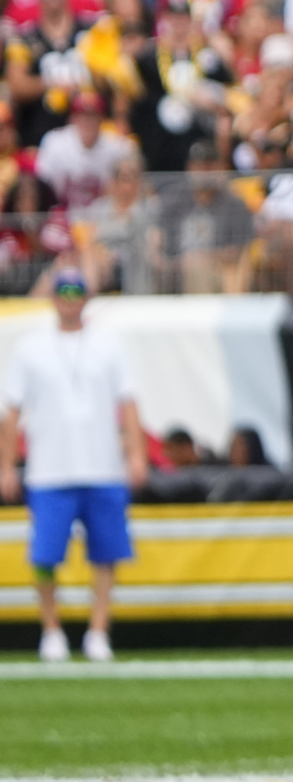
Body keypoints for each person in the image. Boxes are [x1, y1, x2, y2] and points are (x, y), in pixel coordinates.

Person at [0, 269, 147, 664]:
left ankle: (98, 630)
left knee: (106, 553)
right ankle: (51, 630)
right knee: (45, 556)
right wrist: (6, 465)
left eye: (76, 291)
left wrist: (136, 454)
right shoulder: (31, 347)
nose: (69, 297)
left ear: (86, 297)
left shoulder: (108, 344)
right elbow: (11, 412)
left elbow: (128, 402)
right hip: (50, 469)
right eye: (62, 290)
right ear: (52, 297)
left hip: (101, 467)